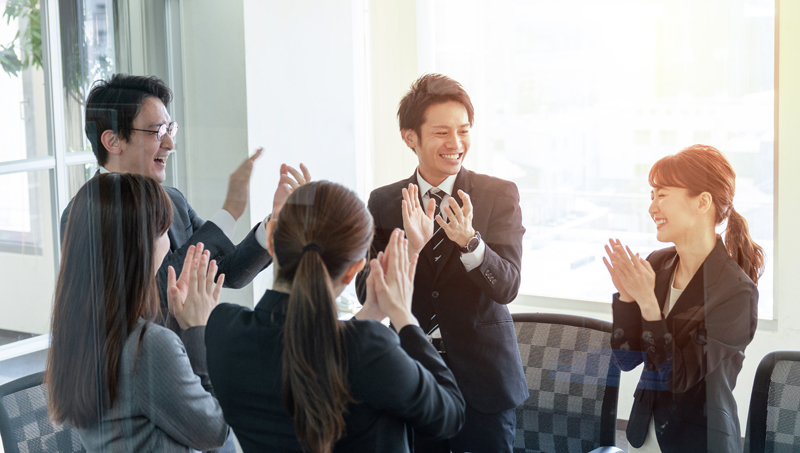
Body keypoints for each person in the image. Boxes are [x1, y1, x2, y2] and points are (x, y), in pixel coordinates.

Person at [205, 181, 466, 453]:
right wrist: (402, 315)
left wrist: (370, 314)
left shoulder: (224, 329)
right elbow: (450, 415)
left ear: (271, 239)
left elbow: (312, 346)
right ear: (353, 271)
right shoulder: (367, 347)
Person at [356, 73, 528, 452]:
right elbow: (364, 287)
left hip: (484, 383)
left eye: (463, 131)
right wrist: (409, 252)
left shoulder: (497, 194)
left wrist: (470, 243)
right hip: (413, 375)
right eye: (441, 133)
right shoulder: (384, 202)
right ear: (409, 137)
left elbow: (508, 286)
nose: (456, 144)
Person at [60, 74, 310, 331]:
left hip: (192, 357)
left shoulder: (174, 200)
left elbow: (226, 270)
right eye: (158, 131)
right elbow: (151, 294)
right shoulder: (84, 215)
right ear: (113, 141)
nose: (169, 143)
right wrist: (229, 213)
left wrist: (275, 223)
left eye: (170, 129)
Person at [46, 173, 230, 452]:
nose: (169, 242)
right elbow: (215, 434)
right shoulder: (148, 345)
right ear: (140, 246)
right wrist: (198, 330)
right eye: (162, 231)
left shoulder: (78, 333)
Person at [603, 144, 763, 453]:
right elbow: (627, 360)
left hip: (698, 441)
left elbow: (678, 378)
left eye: (661, 195)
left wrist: (647, 302)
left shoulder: (735, 292)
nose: (652, 209)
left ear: (703, 202)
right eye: (651, 197)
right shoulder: (658, 263)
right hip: (642, 435)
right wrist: (626, 296)